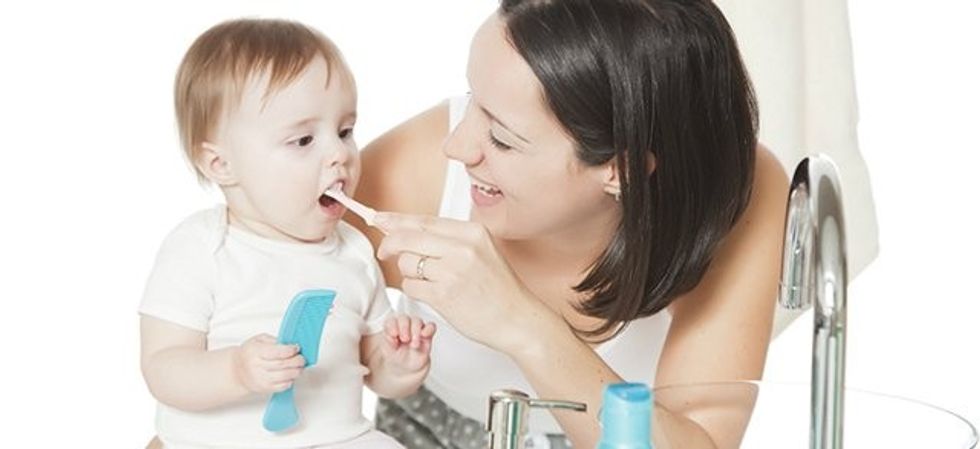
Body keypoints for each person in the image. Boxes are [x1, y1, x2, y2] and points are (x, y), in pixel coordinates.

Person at [350, 1, 789, 448]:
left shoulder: (737, 196)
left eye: (502, 139)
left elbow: (700, 442)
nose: (457, 146)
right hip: (433, 428)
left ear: (623, 171)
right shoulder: (415, 170)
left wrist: (522, 324)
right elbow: (286, 289)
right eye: (470, 101)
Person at [139, 19, 436, 449]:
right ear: (222, 164)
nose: (339, 154)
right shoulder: (202, 247)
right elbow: (163, 368)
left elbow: (372, 367)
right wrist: (236, 371)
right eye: (303, 141)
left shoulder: (352, 251)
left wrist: (399, 365)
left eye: (345, 131)